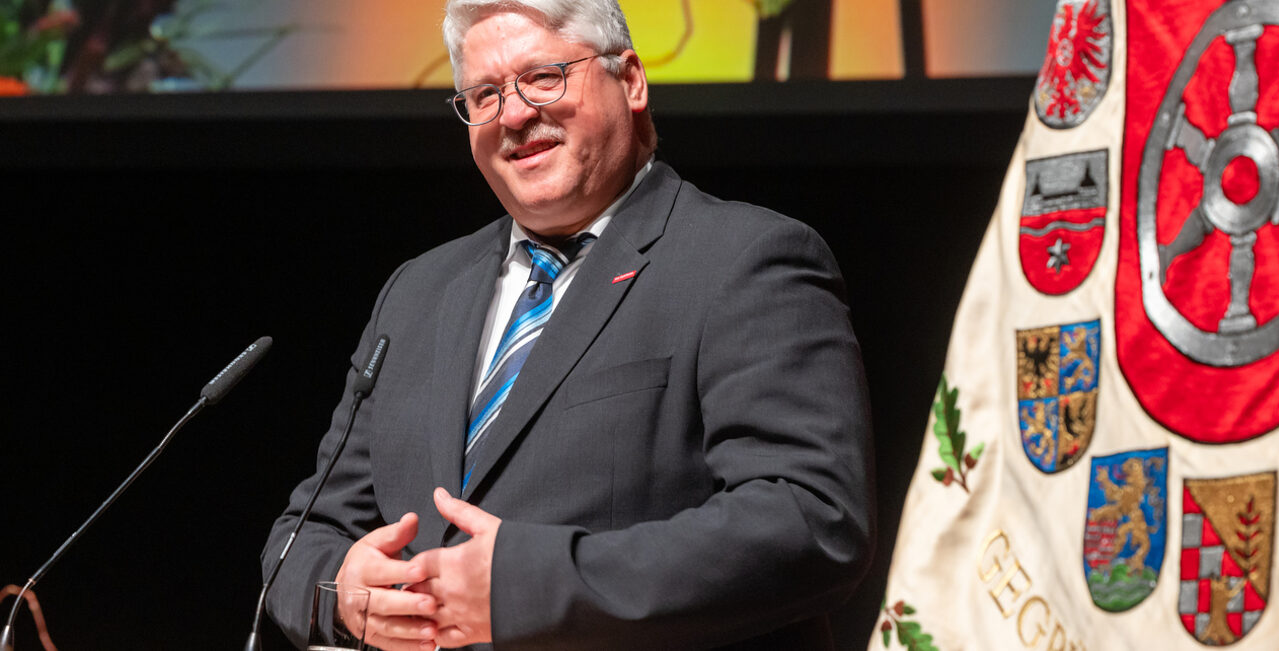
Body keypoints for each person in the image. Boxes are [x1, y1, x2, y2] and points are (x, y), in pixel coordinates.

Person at [257, 1, 874, 649]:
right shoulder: (420, 290)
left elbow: (810, 520)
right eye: (485, 94)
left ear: (631, 80)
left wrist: (528, 585)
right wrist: (341, 589)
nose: (516, 115)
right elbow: (307, 529)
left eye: (544, 77)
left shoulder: (742, 258)